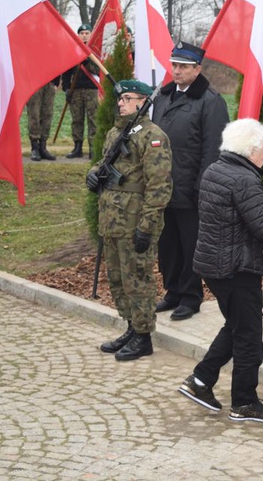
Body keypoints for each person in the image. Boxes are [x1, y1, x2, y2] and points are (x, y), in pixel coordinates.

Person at [177, 118, 263, 422]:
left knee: (237, 326)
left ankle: (200, 380)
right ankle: (244, 402)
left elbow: (239, 219)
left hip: (215, 265)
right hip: (236, 269)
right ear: (250, 150)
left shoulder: (216, 170)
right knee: (249, 337)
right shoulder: (244, 179)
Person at [87, 79, 172, 361]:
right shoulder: (116, 133)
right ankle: (131, 327)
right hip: (111, 219)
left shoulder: (153, 136)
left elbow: (159, 186)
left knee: (138, 279)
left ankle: (144, 336)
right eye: (120, 99)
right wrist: (94, 172)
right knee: (118, 279)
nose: (121, 103)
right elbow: (107, 164)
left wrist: (147, 226)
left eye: (127, 99)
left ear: (141, 103)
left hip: (134, 220)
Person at [152, 41, 229, 321]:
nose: (177, 71)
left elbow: (214, 149)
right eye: (174, 65)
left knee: (190, 244)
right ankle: (172, 290)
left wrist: (202, 188)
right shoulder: (163, 96)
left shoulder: (210, 101)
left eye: (183, 66)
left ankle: (190, 295)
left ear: (198, 69)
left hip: (191, 187)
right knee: (168, 243)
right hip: (162, 186)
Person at [63, 24, 99, 159]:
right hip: (76, 90)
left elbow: (98, 70)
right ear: (78, 35)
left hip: (92, 90)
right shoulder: (72, 50)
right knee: (77, 119)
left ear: (91, 35)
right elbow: (66, 71)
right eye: (82, 33)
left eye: (87, 33)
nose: (84, 35)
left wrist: (87, 62)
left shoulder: (95, 51)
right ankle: (77, 147)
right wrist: (67, 88)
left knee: (93, 120)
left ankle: (93, 148)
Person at [26, 77, 60, 161]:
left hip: (49, 80)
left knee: (47, 115)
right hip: (34, 81)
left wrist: (56, 82)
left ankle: (43, 147)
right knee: (34, 115)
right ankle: (35, 147)